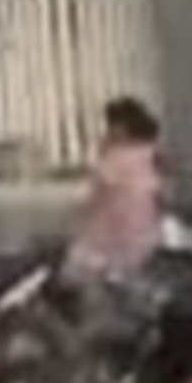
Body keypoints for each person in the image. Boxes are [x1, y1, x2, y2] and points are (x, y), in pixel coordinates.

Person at [69, 96, 173, 280]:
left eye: (111, 125)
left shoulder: (114, 157)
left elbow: (96, 198)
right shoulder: (152, 155)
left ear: (123, 127)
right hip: (145, 239)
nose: (107, 131)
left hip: (110, 239)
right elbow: (163, 199)